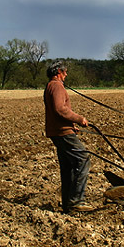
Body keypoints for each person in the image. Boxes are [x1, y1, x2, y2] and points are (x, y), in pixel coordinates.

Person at [43, 61, 94, 213]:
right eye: (65, 72)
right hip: (62, 132)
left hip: (58, 131)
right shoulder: (57, 86)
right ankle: (77, 201)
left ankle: (68, 204)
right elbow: (60, 109)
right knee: (83, 158)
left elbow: (56, 112)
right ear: (58, 71)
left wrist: (72, 125)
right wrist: (79, 119)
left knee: (68, 167)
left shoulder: (50, 86)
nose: (66, 75)